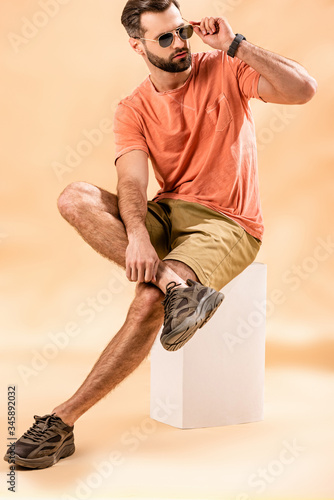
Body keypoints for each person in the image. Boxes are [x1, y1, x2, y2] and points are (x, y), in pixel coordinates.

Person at [4, 0, 317, 470]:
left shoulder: (225, 67)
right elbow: (131, 183)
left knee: (148, 301)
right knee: (74, 196)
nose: (180, 44)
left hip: (227, 222)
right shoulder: (133, 107)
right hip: (166, 212)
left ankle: (61, 423)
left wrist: (236, 44)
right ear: (137, 45)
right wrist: (137, 235)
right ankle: (179, 286)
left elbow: (304, 90)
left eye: (182, 32)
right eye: (165, 38)